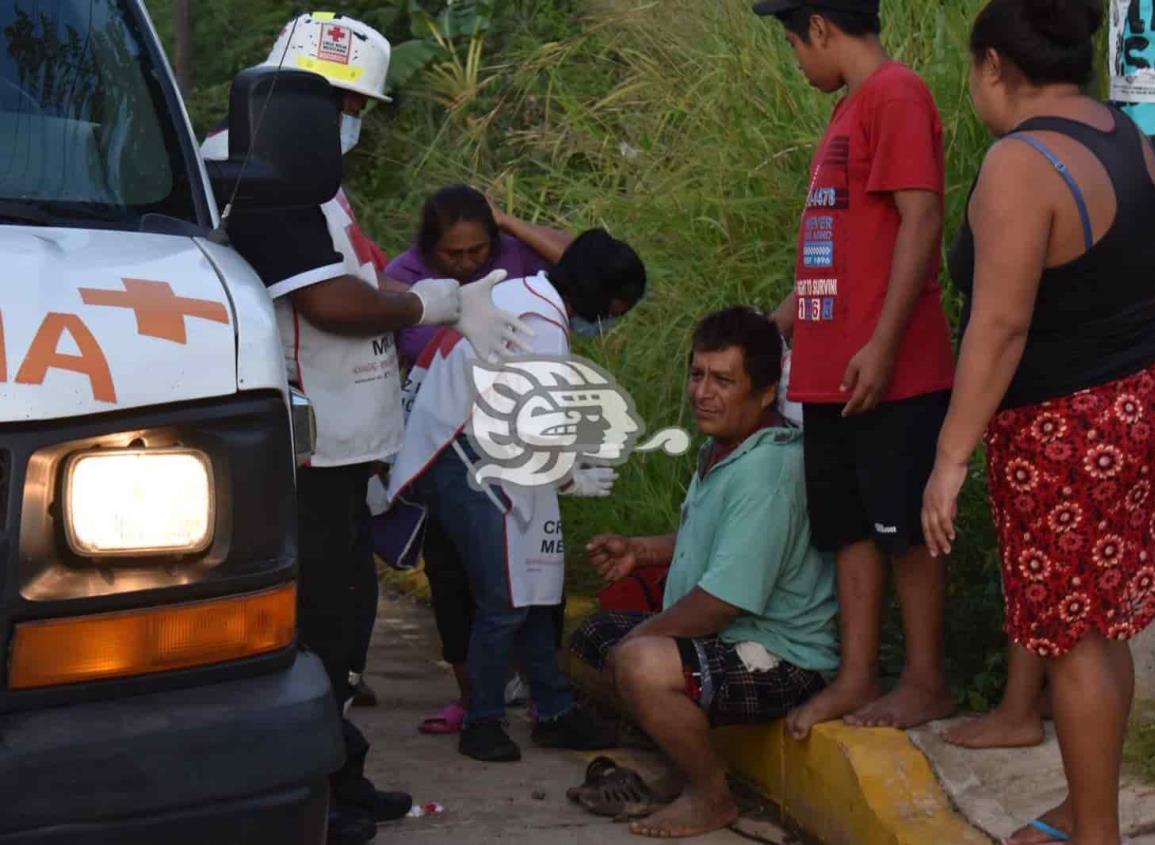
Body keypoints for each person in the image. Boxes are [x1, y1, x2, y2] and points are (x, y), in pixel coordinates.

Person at [207, 13, 528, 845]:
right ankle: (317, 794)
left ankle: (339, 774)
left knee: (340, 621)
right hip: (309, 454)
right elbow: (329, 302)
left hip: (346, 445)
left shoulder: (298, 167)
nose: (349, 123)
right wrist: (430, 303)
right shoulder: (252, 167)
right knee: (326, 624)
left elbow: (353, 272)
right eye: (342, 103)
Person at [922, 1, 1155, 843]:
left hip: (1062, 429)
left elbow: (999, 325)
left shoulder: (1020, 164)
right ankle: (1082, 805)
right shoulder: (1124, 139)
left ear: (993, 65)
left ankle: (1094, 834)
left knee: (1074, 637)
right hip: (1128, 405)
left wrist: (950, 457)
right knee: (1100, 623)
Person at [753, 0, 957, 738]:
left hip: (889, 371)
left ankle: (926, 679)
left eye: (791, 43)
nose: (796, 60)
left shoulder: (895, 93)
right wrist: (775, 321)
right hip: (826, 374)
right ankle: (858, 673)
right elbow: (839, 245)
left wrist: (880, 340)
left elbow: (921, 217)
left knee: (901, 529)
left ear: (818, 28)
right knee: (848, 529)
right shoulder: (849, 111)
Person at [570, 307, 838, 839]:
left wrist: (642, 643)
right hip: (734, 640)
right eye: (697, 375)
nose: (702, 393)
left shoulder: (768, 469)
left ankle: (711, 796)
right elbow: (716, 543)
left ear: (765, 394)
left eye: (723, 380)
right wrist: (641, 551)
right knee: (598, 636)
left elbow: (722, 600)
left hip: (781, 658)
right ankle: (681, 760)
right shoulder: (726, 448)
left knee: (639, 661)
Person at [386, 229, 646, 763]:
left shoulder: (524, 295)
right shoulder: (541, 321)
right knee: (505, 598)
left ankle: (553, 709)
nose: (611, 321)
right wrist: (574, 477)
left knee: (534, 589)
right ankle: (483, 721)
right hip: (466, 458)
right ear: (599, 294)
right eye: (616, 308)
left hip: (468, 451)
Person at [382, 185, 574, 735]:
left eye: (478, 251)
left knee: (533, 587)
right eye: (454, 256)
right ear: (427, 253)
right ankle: (479, 708)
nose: (468, 264)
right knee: (474, 587)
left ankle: (544, 706)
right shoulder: (405, 278)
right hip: (450, 449)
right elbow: (427, 352)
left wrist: (511, 224)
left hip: (520, 446)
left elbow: (584, 264)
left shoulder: (512, 255)